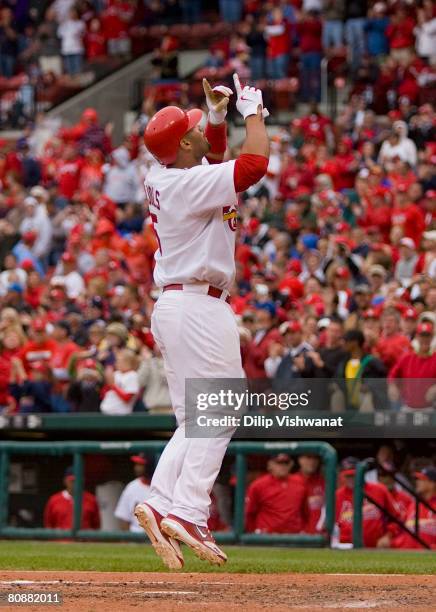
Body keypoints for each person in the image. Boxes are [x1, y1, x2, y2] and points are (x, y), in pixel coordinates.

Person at [134, 73, 269, 569]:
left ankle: (160, 502)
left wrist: (212, 120)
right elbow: (253, 164)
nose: (198, 130)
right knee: (224, 405)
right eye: (192, 129)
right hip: (198, 304)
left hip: (177, 302)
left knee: (195, 419)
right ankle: (190, 512)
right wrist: (253, 112)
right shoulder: (188, 181)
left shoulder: (167, 172)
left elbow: (207, 158)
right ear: (184, 144)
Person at [335, 457, 399, 548]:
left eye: (354, 475)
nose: (351, 479)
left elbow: (396, 518)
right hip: (345, 548)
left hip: (375, 548)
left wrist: (388, 536)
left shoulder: (379, 490)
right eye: (348, 476)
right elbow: (330, 525)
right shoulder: (337, 495)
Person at [245, 454, 308, 534]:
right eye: (279, 463)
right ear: (270, 465)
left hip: (293, 536)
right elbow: (249, 513)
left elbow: (306, 513)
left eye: (286, 463)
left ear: (291, 464)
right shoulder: (258, 485)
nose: (283, 466)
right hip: (266, 536)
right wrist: (254, 532)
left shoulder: (300, 482)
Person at [115, 453, 151, 532]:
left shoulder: (163, 487)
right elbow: (124, 518)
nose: (137, 468)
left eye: (141, 465)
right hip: (135, 537)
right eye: (137, 464)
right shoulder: (132, 487)